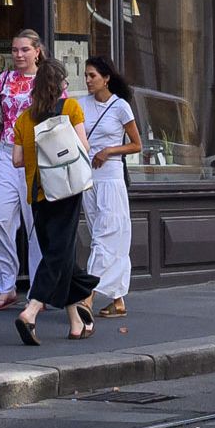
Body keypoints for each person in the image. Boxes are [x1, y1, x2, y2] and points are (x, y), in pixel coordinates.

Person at [10, 60, 99, 344]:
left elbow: (16, 160)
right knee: (59, 253)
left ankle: (76, 323)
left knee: (59, 252)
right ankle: (32, 309)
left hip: (38, 194)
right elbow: (84, 146)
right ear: (61, 84)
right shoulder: (71, 108)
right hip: (67, 190)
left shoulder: (24, 118)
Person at [0, 30, 41, 312]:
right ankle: (6, 287)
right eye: (15, 50)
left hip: (36, 157)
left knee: (36, 226)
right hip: (5, 154)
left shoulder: (48, 80)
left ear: (37, 51)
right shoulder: (3, 80)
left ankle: (40, 291)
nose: (19, 55)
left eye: (25, 50)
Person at [80, 56, 142, 317]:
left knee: (106, 237)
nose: (87, 80)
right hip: (88, 179)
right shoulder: (80, 105)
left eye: (92, 75)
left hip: (111, 178)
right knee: (102, 236)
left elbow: (136, 144)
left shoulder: (120, 107)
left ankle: (87, 296)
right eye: (86, 75)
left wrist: (109, 150)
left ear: (106, 78)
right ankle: (118, 300)